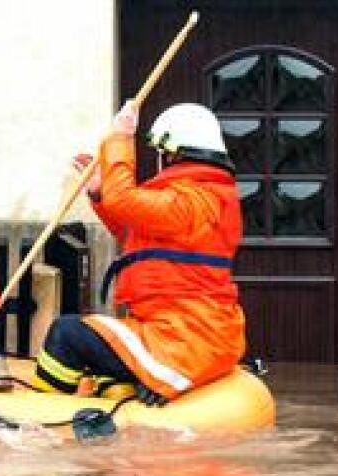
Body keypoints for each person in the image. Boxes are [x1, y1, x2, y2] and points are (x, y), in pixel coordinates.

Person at [31, 102, 246, 402]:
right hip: (182, 331)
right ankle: (119, 390)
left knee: (66, 334)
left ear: (172, 152)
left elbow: (124, 201)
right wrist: (99, 192)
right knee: (102, 345)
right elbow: (136, 234)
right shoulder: (205, 198)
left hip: (184, 338)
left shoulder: (193, 200)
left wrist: (119, 139)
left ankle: (36, 418)